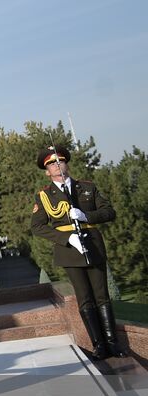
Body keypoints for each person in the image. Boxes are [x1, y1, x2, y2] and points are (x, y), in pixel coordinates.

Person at [30, 145, 124, 359]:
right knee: (85, 297)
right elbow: (37, 227)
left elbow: (109, 212)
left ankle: (113, 342)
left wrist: (86, 216)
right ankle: (98, 345)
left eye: (60, 161)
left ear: (66, 164)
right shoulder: (44, 196)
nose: (57, 165)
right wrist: (66, 238)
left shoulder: (87, 187)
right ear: (47, 171)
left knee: (102, 295)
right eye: (52, 163)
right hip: (70, 250)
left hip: (92, 244)